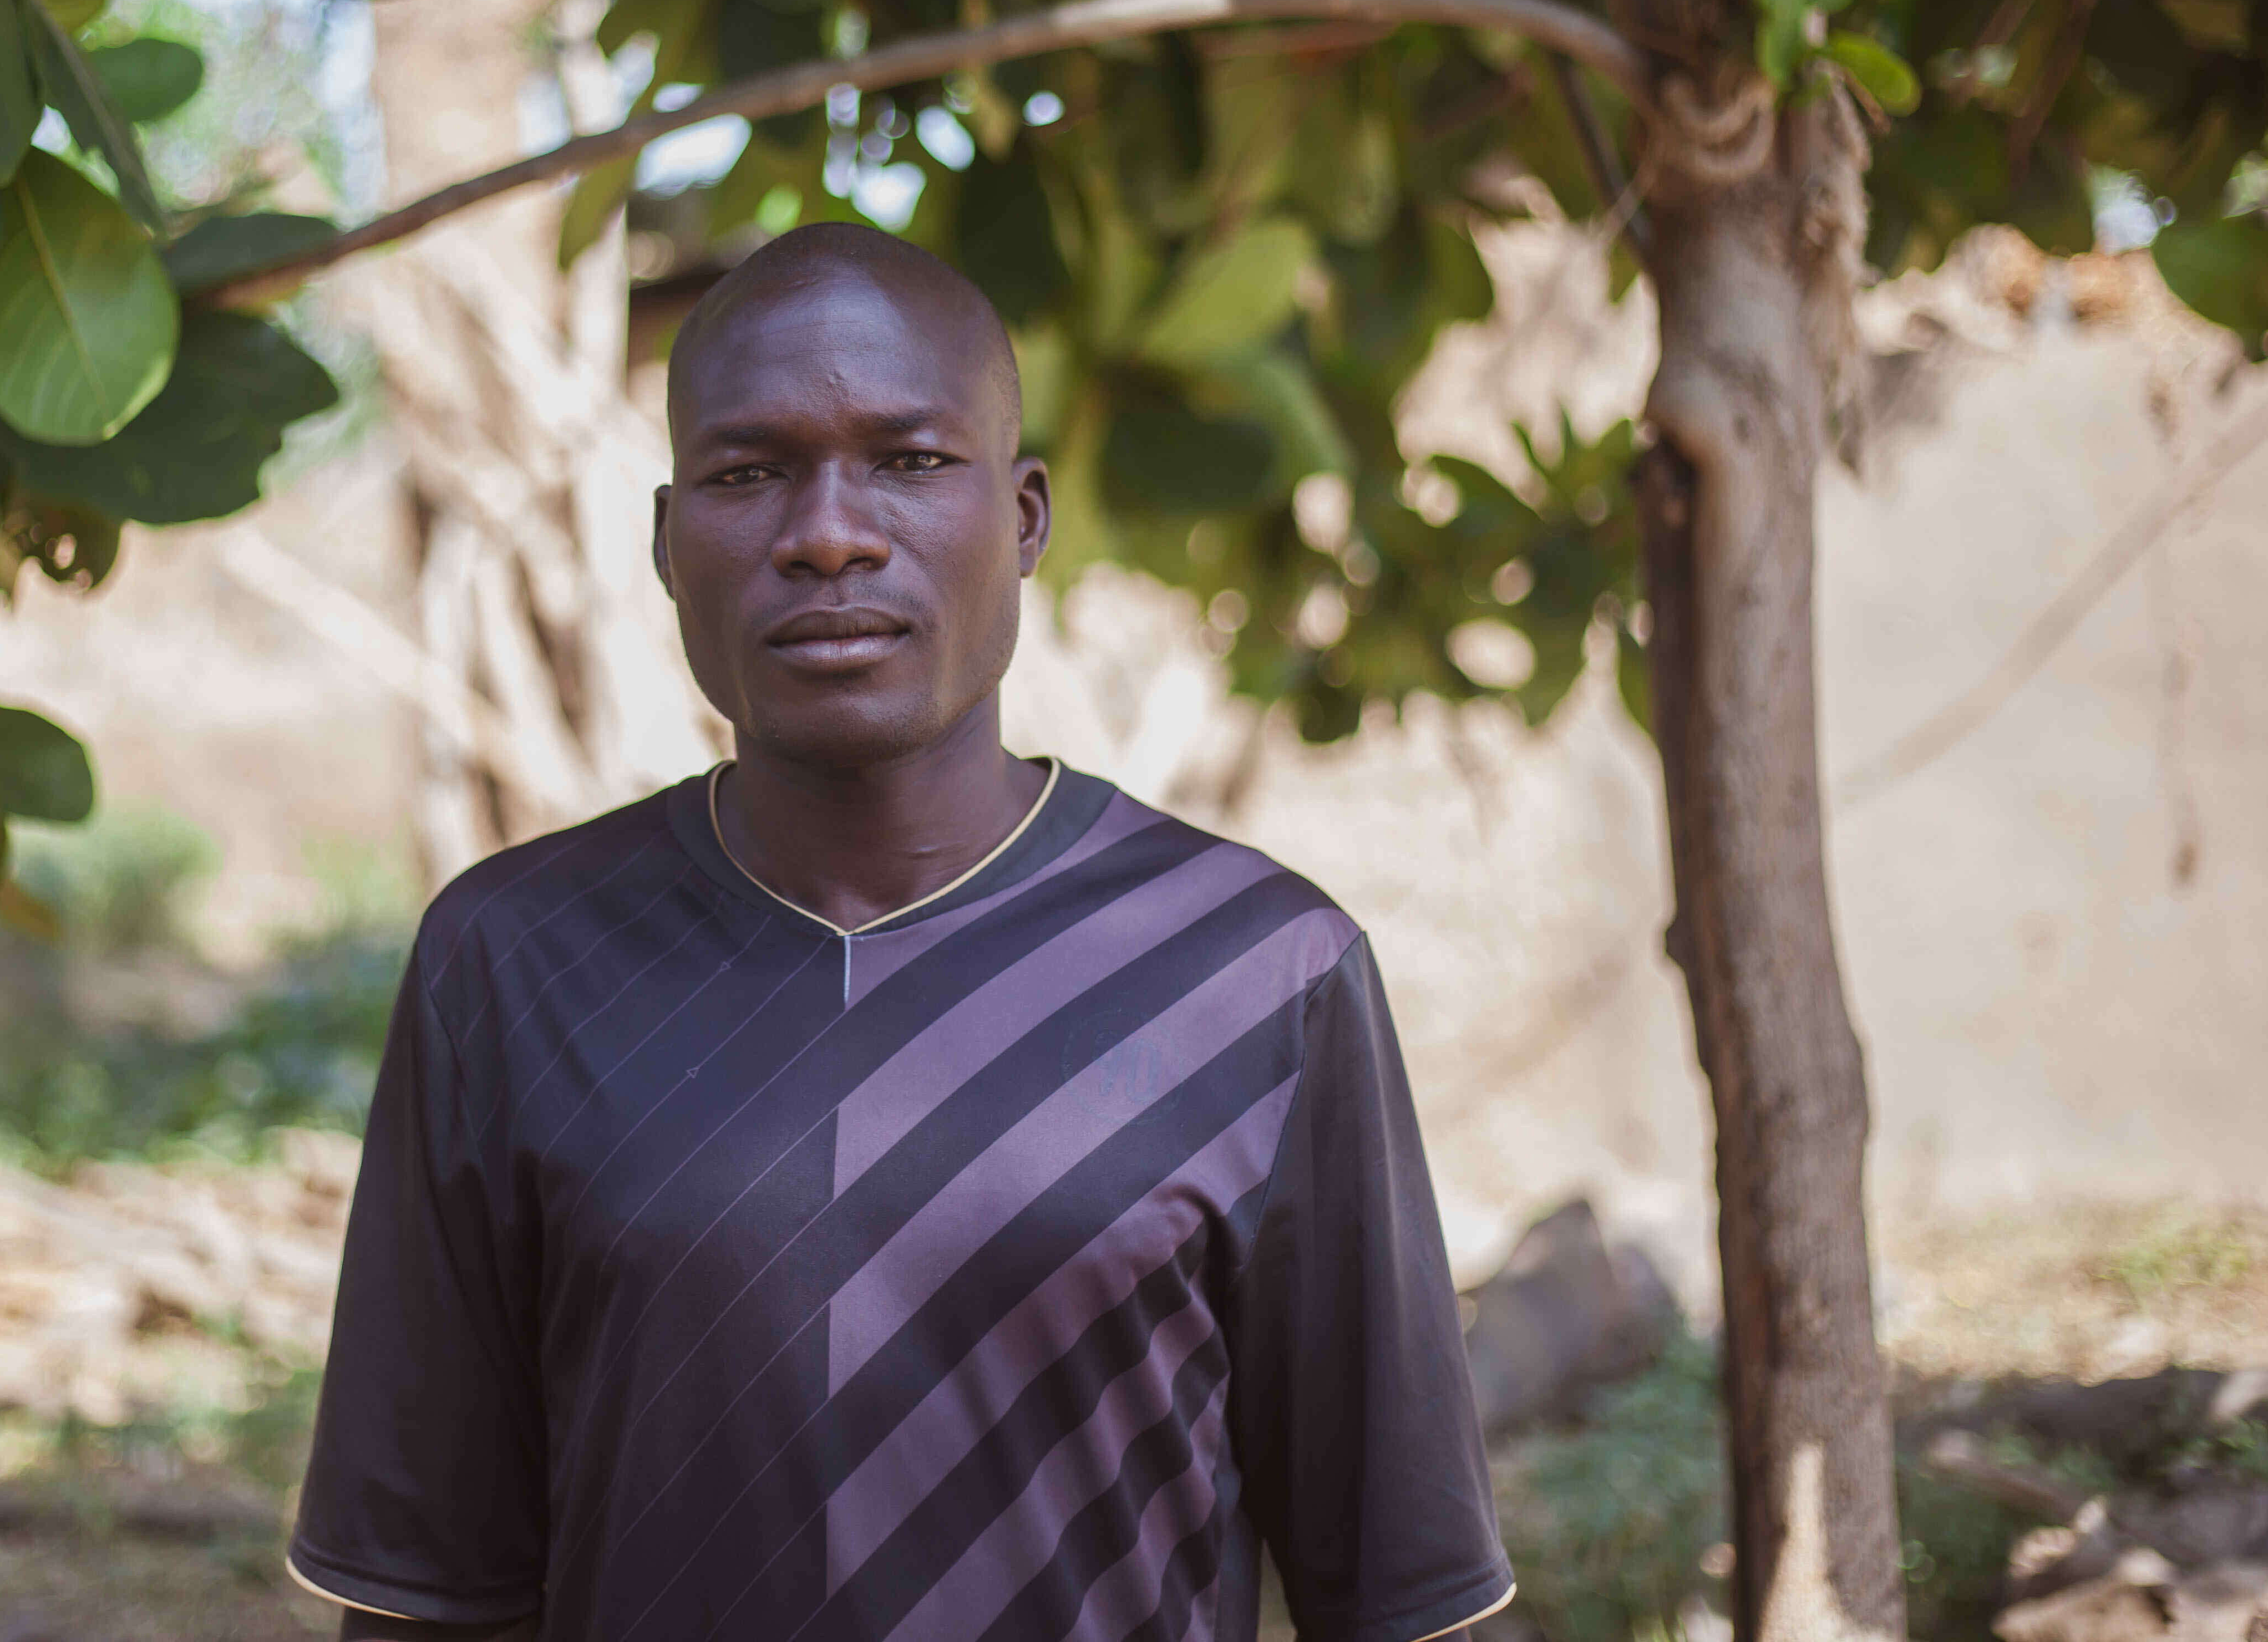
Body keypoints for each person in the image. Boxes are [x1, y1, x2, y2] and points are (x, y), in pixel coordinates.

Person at [287, 222, 1513, 1642]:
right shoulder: (509, 965)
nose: (828, 534)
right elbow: (424, 1592)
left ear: (1027, 517)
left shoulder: (1259, 977)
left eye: (911, 462)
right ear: (667, 542)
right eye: (749, 474)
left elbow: (1402, 1596)